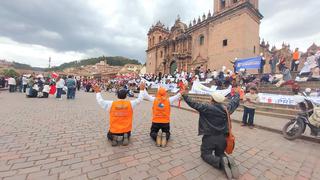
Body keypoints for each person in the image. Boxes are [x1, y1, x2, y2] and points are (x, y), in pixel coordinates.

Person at [182, 87, 240, 179]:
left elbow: (194, 104)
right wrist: (237, 94)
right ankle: (226, 159)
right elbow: (234, 103)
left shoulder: (206, 107)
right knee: (219, 153)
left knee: (205, 154)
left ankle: (221, 163)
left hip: (210, 137)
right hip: (223, 138)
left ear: (212, 99)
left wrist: (184, 95)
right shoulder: (226, 109)